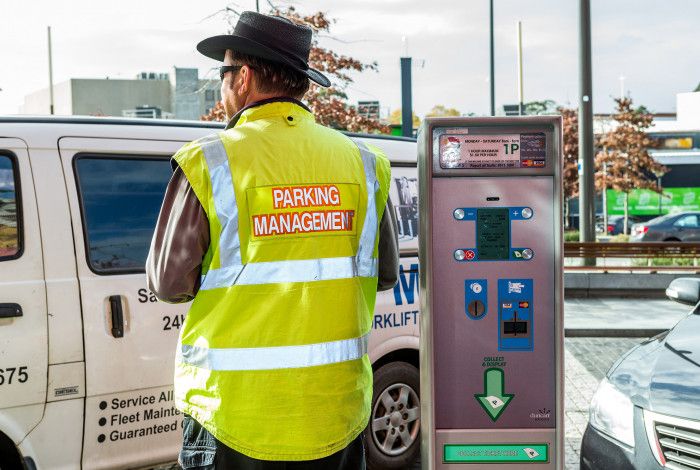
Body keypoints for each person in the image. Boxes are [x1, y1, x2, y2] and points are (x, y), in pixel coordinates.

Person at [146, 11, 399, 470]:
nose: (222, 85)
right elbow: (384, 276)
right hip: (335, 415)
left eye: (223, 73)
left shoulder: (210, 162)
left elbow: (168, 284)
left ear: (242, 79)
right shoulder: (366, 163)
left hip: (232, 416)